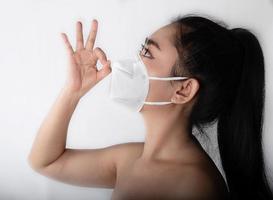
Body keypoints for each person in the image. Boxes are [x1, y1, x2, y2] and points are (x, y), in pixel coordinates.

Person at [27, 14, 273, 200]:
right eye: (141, 50)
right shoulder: (129, 159)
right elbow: (45, 162)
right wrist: (73, 91)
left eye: (148, 53)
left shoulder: (196, 187)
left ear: (183, 90)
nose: (134, 63)